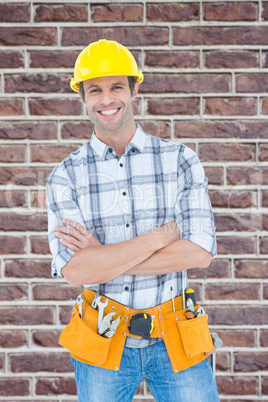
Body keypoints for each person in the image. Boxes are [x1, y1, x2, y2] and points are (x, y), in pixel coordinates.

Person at [46, 39, 219, 401]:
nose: (106, 99)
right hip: (102, 337)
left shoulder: (180, 161)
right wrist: (160, 237)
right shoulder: (66, 176)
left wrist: (104, 258)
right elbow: (77, 271)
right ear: (82, 96)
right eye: (95, 89)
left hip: (176, 334)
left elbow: (199, 253)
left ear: (135, 88)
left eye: (116, 87)